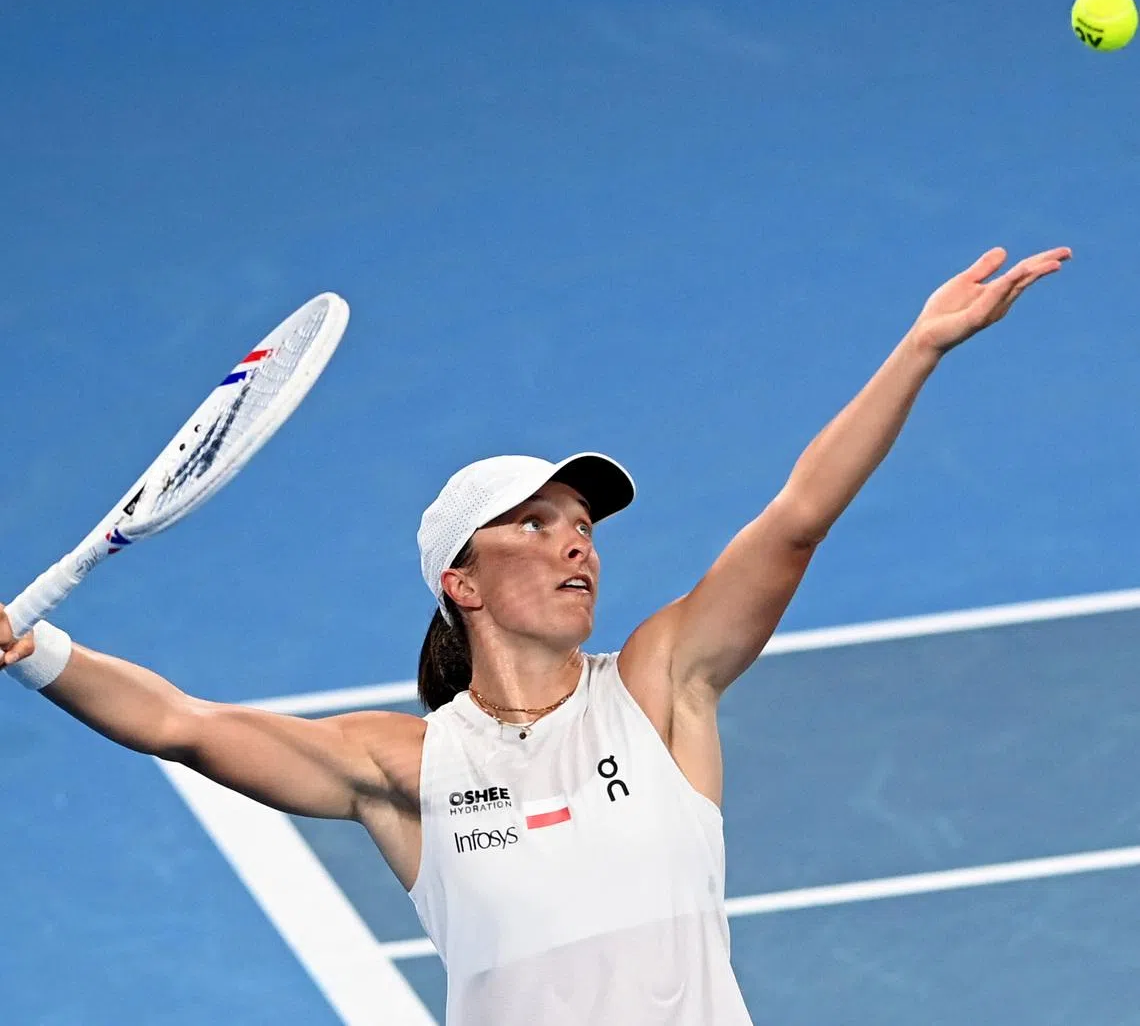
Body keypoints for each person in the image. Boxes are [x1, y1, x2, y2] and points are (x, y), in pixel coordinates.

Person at [1, 245, 1067, 1024]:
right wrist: (31, 650)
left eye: (584, 527)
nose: (577, 544)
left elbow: (795, 521)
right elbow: (182, 725)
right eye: (536, 523)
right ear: (460, 581)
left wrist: (918, 350)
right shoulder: (403, 767)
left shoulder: (660, 688)